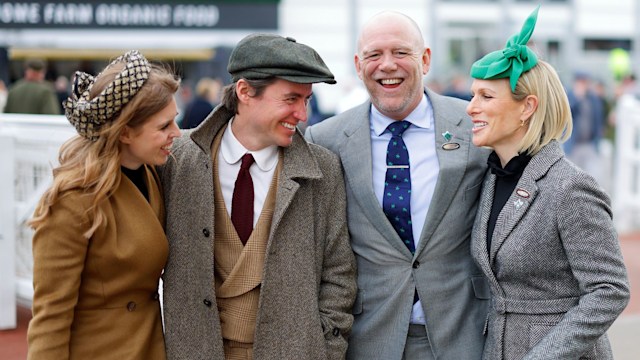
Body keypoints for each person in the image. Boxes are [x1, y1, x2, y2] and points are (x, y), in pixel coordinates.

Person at [305, 11, 490, 360]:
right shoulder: (324, 140)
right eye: (374, 55)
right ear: (359, 66)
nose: (387, 65)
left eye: (401, 52)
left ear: (426, 59)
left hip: (462, 334)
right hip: (369, 337)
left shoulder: (474, 127)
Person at [159, 34, 356, 360]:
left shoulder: (324, 169)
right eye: (291, 99)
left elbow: (339, 276)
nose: (303, 114)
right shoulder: (177, 160)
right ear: (245, 91)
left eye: (306, 100)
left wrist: (324, 350)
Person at [467, 7, 630, 359]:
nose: (470, 107)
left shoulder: (570, 187)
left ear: (527, 107)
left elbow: (610, 289)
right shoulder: (491, 177)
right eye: (473, 95)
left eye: (486, 97)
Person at [26, 50, 181, 359]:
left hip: (149, 346)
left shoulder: (151, 172)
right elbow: (51, 315)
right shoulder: (72, 200)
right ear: (125, 132)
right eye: (164, 126)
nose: (176, 134)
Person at [564, 70, 607, 184]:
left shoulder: (593, 98)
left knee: (593, 176)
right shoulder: (569, 96)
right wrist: (578, 98)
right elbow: (567, 114)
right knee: (571, 178)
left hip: (589, 144)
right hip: (573, 144)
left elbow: (598, 117)